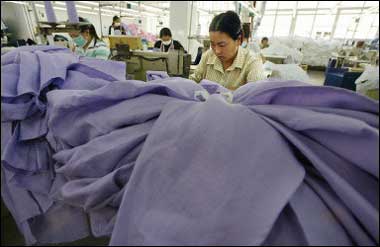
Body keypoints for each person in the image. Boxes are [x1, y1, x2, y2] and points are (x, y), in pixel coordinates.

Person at [189, 11, 265, 91]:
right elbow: (193, 82)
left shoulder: (252, 62)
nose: (217, 51)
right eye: (213, 44)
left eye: (222, 45)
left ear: (239, 40)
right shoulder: (208, 56)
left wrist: (214, 91)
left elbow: (256, 93)